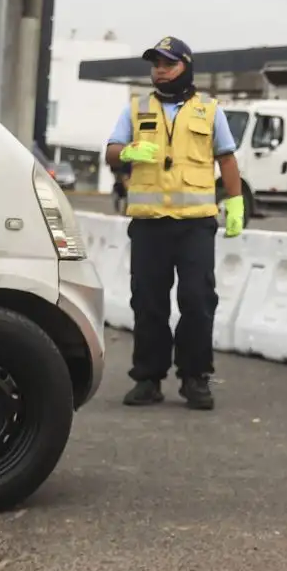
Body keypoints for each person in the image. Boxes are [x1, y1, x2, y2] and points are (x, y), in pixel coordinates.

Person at [105, 36, 246, 411]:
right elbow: (112, 151)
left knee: (197, 301)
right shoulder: (136, 108)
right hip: (150, 224)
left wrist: (234, 203)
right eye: (156, 65)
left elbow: (227, 160)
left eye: (168, 64)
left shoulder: (209, 110)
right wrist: (128, 151)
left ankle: (194, 378)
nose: (160, 71)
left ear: (186, 67)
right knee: (148, 303)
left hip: (196, 224)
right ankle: (148, 379)